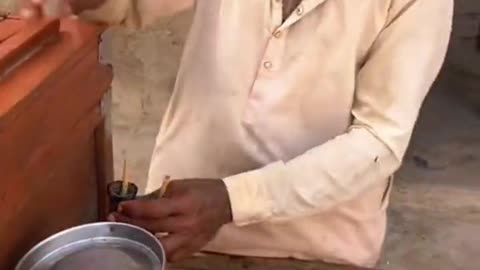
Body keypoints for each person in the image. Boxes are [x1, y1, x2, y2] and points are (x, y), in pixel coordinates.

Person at [21, 0, 453, 267]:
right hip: (181, 231)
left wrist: (233, 200)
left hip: (320, 248)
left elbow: (379, 140)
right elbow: (132, 5)